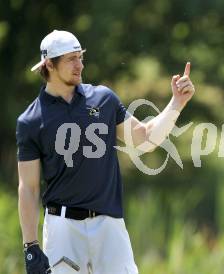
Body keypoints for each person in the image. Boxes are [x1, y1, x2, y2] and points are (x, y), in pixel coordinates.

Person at [16, 30, 195, 274]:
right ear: (49, 64)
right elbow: (29, 188)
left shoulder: (103, 99)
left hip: (109, 224)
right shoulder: (31, 120)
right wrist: (30, 245)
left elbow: (144, 140)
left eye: (80, 57)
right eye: (71, 59)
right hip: (63, 228)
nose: (80, 64)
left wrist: (177, 103)